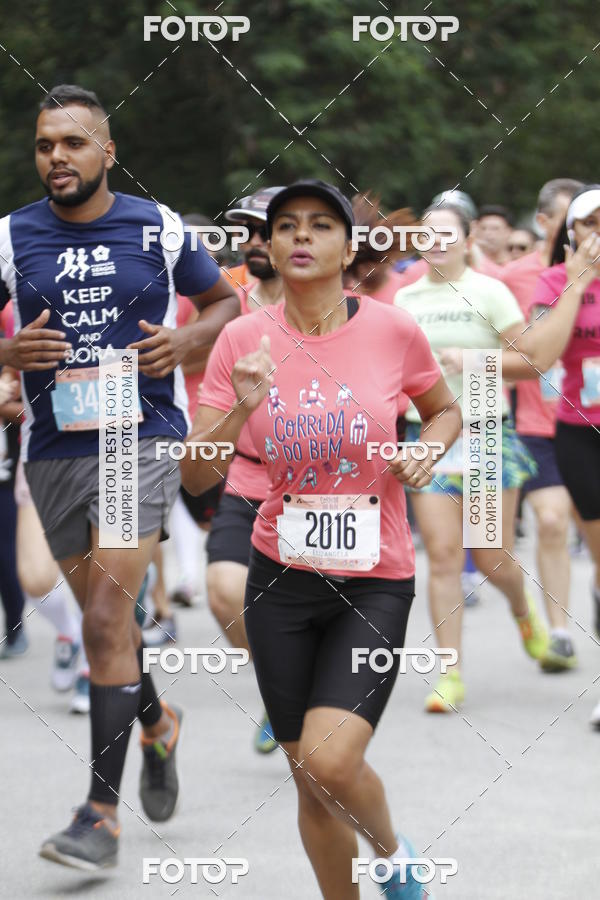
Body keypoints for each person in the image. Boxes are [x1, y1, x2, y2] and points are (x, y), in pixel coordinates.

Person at [182, 178, 462, 898]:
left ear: (347, 249)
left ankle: (393, 853)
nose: (301, 236)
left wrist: (426, 450)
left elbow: (442, 412)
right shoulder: (241, 338)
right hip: (279, 580)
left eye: (319, 226)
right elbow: (194, 478)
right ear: (268, 246)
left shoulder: (392, 330)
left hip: (374, 577)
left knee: (332, 763)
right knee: (308, 779)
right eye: (287, 226)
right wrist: (235, 408)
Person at [0, 83, 239, 870]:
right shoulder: (12, 236)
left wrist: (187, 344)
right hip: (56, 445)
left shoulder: (159, 225)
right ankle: (159, 721)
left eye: (71, 143)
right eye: (44, 145)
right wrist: (5, 358)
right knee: (110, 628)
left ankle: (100, 815)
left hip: (143, 436)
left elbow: (223, 304)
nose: (56, 158)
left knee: (107, 618)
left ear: (108, 151)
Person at [394, 203, 548, 713]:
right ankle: (449, 672)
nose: (436, 241)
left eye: (446, 234)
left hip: (484, 429)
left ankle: (524, 611)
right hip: (431, 433)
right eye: (427, 234)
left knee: (489, 556)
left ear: (466, 241)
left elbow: (529, 361)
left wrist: (472, 360)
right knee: (441, 555)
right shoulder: (406, 298)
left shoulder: (489, 290)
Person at [510, 185, 600, 726]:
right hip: (579, 431)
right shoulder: (554, 281)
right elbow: (541, 355)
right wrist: (579, 281)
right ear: (573, 233)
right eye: (591, 224)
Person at [206, 186, 285, 754]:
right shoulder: (227, 297)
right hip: (246, 471)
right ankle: (278, 686)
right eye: (246, 233)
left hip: (319, 486)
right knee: (222, 587)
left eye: (265, 231)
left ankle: (301, 682)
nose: (253, 242)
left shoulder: (333, 306)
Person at [502, 178, 583, 671]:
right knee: (528, 532)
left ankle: (563, 626)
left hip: (584, 419)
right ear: (544, 222)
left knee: (566, 525)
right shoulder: (509, 278)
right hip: (528, 422)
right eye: (571, 220)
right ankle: (543, 623)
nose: (582, 231)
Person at [343, 193, 415, 303]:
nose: (365, 270)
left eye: (369, 263)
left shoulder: (407, 289)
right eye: (361, 264)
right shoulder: (342, 294)